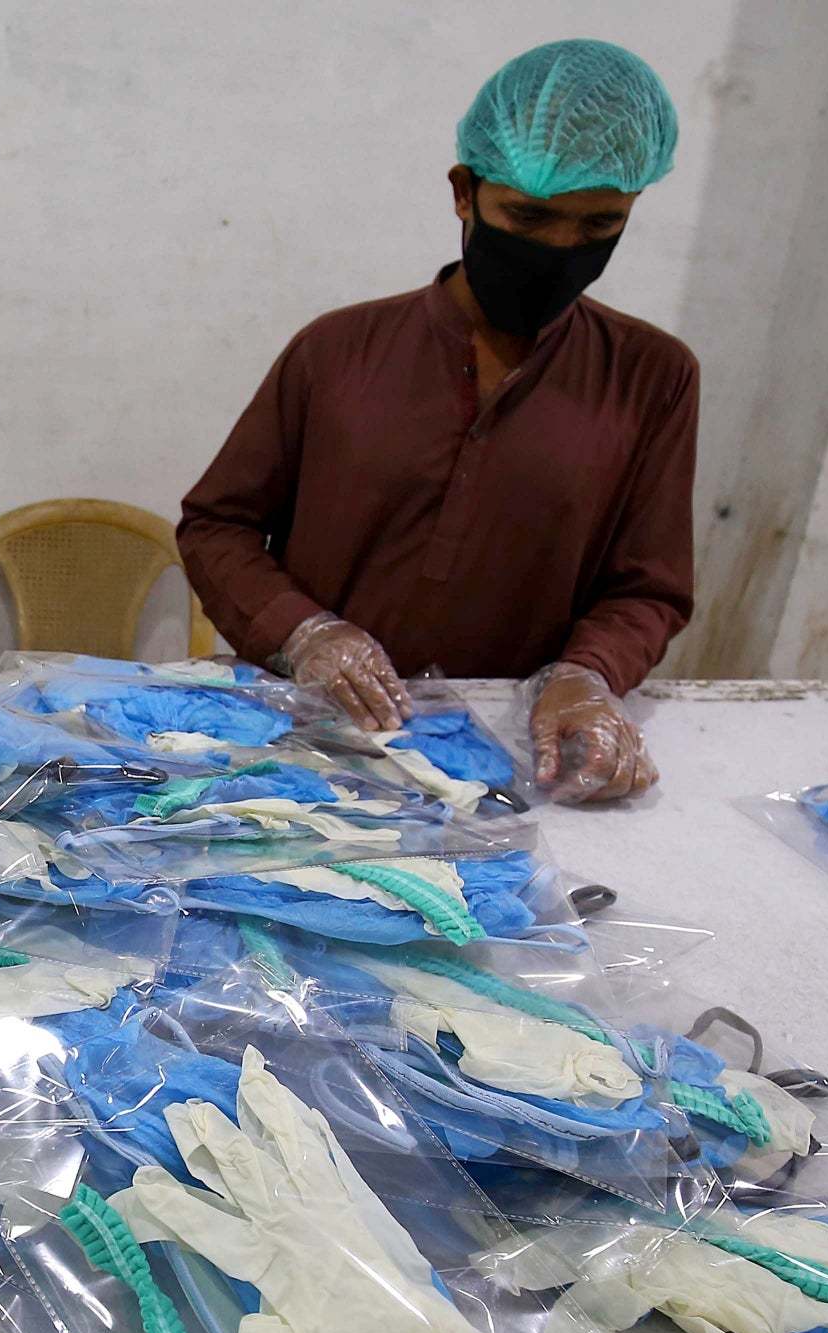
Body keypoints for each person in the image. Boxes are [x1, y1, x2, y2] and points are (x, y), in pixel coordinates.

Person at [177, 39, 692, 802]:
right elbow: (216, 527)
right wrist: (304, 633)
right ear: (463, 192)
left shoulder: (650, 376)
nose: (557, 251)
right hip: (306, 739)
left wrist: (586, 677)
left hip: (506, 760)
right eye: (527, 215)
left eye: (596, 227)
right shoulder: (337, 351)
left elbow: (648, 588)